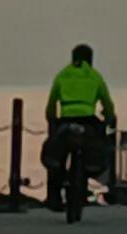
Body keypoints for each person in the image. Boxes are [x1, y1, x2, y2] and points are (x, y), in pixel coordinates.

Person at [44, 44, 117, 211]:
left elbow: (51, 104)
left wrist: (52, 121)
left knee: (57, 157)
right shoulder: (94, 76)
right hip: (88, 121)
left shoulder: (63, 75)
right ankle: (91, 171)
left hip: (66, 120)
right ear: (90, 60)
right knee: (99, 146)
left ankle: (54, 194)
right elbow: (107, 102)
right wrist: (108, 118)